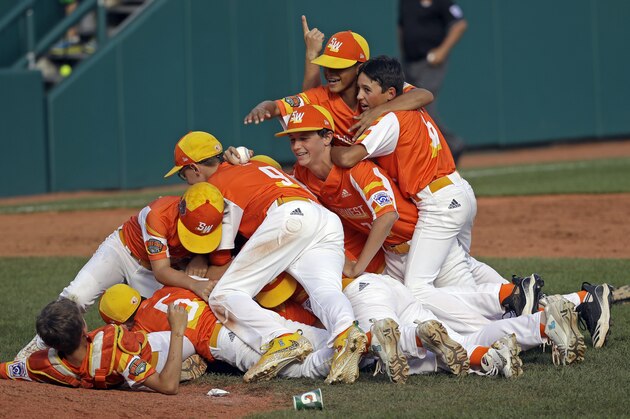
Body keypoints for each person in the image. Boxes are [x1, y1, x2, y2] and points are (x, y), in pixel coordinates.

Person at [164, 131, 367, 385]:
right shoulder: (252, 163)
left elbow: (221, 262)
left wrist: (192, 269)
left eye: (184, 174)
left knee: (224, 295)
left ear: (194, 168)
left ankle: (280, 339)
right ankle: (346, 330)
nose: (187, 181)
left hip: (289, 218)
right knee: (324, 290)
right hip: (322, 218)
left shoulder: (214, 190)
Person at [14, 182, 225, 360]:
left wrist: (200, 256)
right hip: (122, 252)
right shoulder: (158, 214)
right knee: (76, 296)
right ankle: (37, 347)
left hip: (158, 270)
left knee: (162, 319)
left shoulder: (212, 215)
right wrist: (193, 282)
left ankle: (182, 358)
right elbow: (162, 271)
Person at [244, 28, 434, 145]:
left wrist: (380, 110)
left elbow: (424, 94)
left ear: (360, 68)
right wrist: (263, 107)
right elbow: (279, 106)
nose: (330, 73)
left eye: (339, 67)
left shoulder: (378, 87)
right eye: (327, 65)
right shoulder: (323, 95)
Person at [1, 298, 189, 394]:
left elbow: (5, 369)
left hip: (123, 373)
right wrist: (178, 330)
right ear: (84, 329)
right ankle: (186, 361)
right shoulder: (116, 353)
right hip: (155, 354)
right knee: (193, 336)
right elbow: (168, 386)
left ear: (49, 343)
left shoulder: (44, 366)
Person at [398, 0, 468, 163]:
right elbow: (402, 27)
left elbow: (460, 24)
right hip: (409, 62)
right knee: (409, 109)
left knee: (422, 106)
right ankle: (442, 148)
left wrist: (442, 51)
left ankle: (451, 145)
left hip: (430, 63)